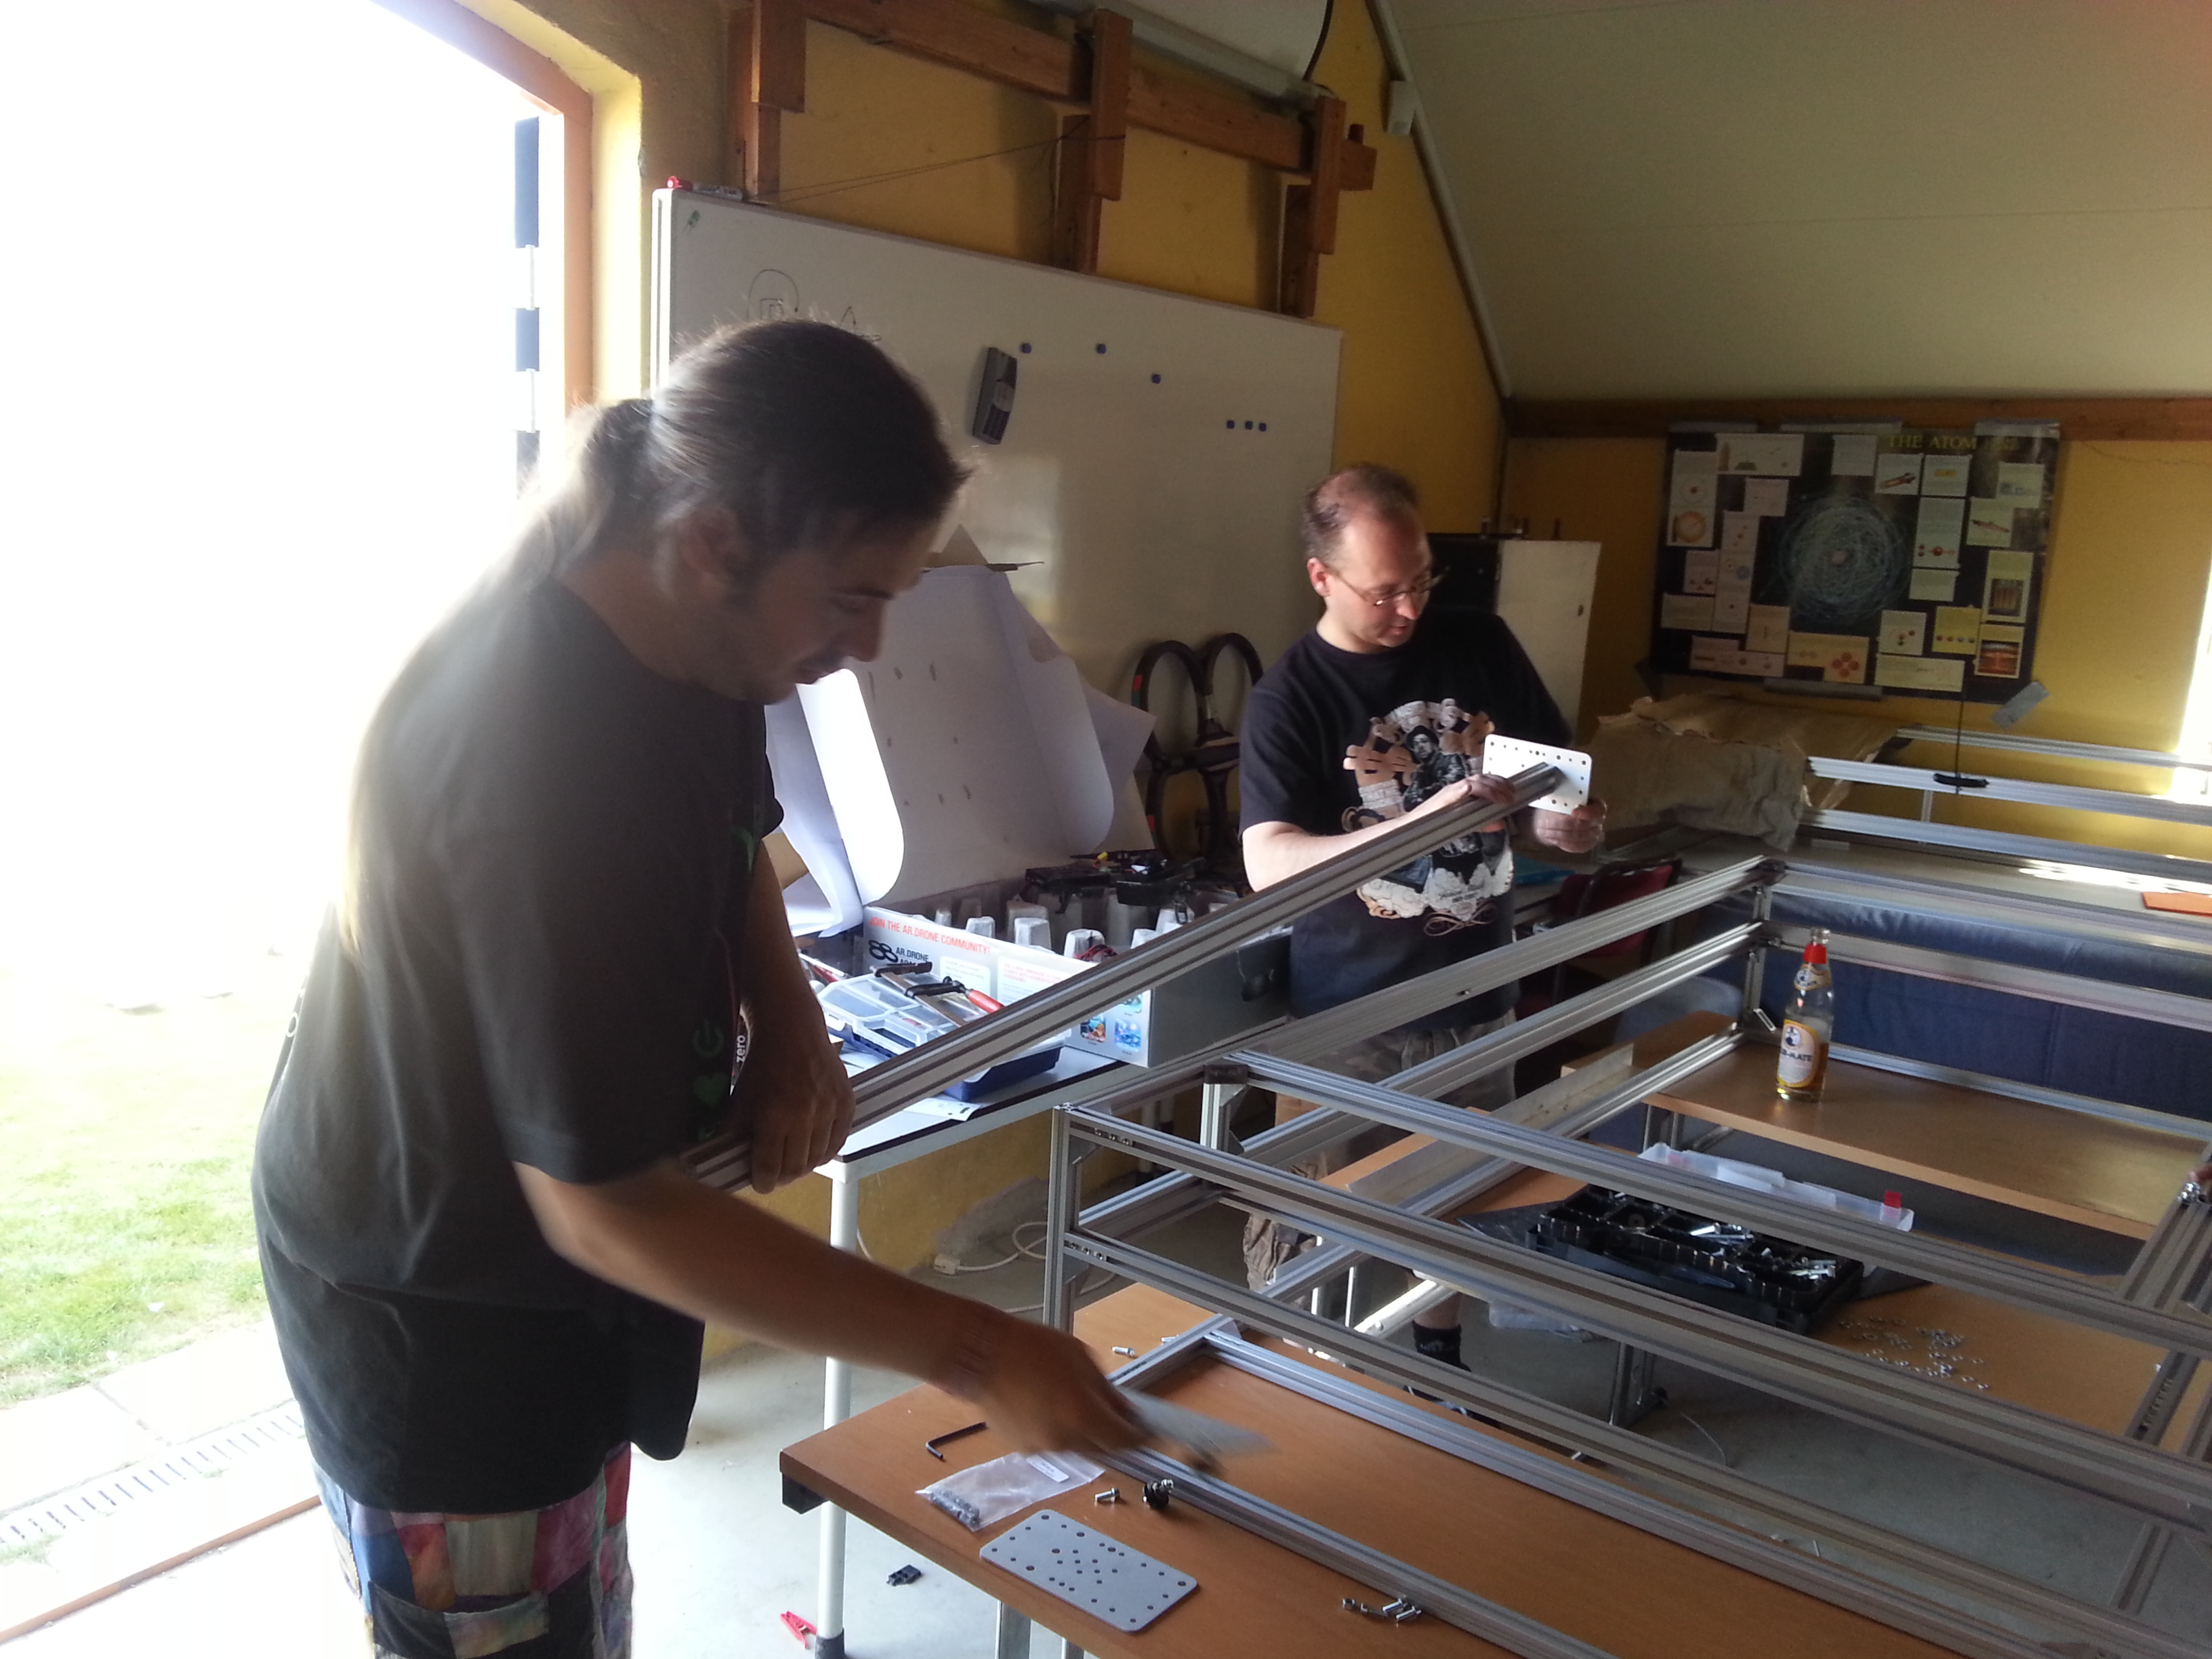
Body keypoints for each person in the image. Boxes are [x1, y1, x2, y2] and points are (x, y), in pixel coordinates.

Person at [252, 321, 1141, 1657]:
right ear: (718, 541)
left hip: (549, 1282)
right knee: (509, 1624)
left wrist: (790, 1023)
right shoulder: (541, 755)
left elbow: (737, 836)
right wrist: (978, 1353)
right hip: (441, 1319)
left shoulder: (701, 652)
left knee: (582, 1603)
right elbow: (602, 1209)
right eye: (851, 598)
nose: (870, 644)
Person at [1236, 464, 1605, 1370]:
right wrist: (1421, 823)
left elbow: (1547, 788)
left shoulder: (1480, 643)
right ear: (1322, 577)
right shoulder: (1290, 697)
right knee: (1310, 1218)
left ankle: (1439, 1363)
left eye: (1422, 581)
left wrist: (1563, 825)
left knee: (1454, 1210)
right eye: (1384, 592)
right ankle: (1288, 1371)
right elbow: (1267, 864)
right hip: (1350, 1016)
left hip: (1474, 992)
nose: (1409, 608)